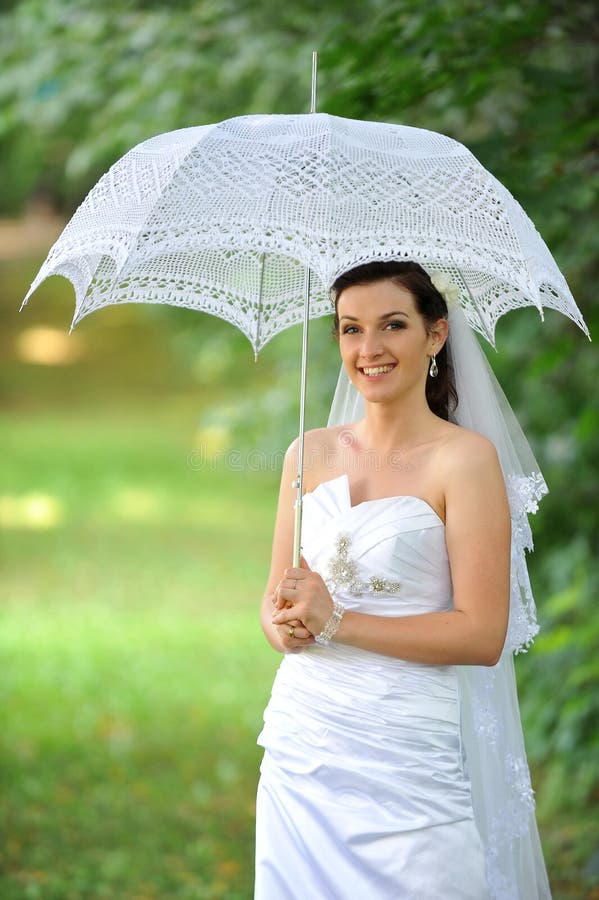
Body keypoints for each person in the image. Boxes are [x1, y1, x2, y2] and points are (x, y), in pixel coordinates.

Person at [254, 261, 552, 899]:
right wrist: (285, 626)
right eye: (350, 329)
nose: (369, 349)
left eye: (393, 325)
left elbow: (481, 635)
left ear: (436, 335)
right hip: (302, 745)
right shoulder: (305, 455)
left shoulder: (465, 461)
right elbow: (273, 603)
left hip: (408, 753)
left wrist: (336, 622)